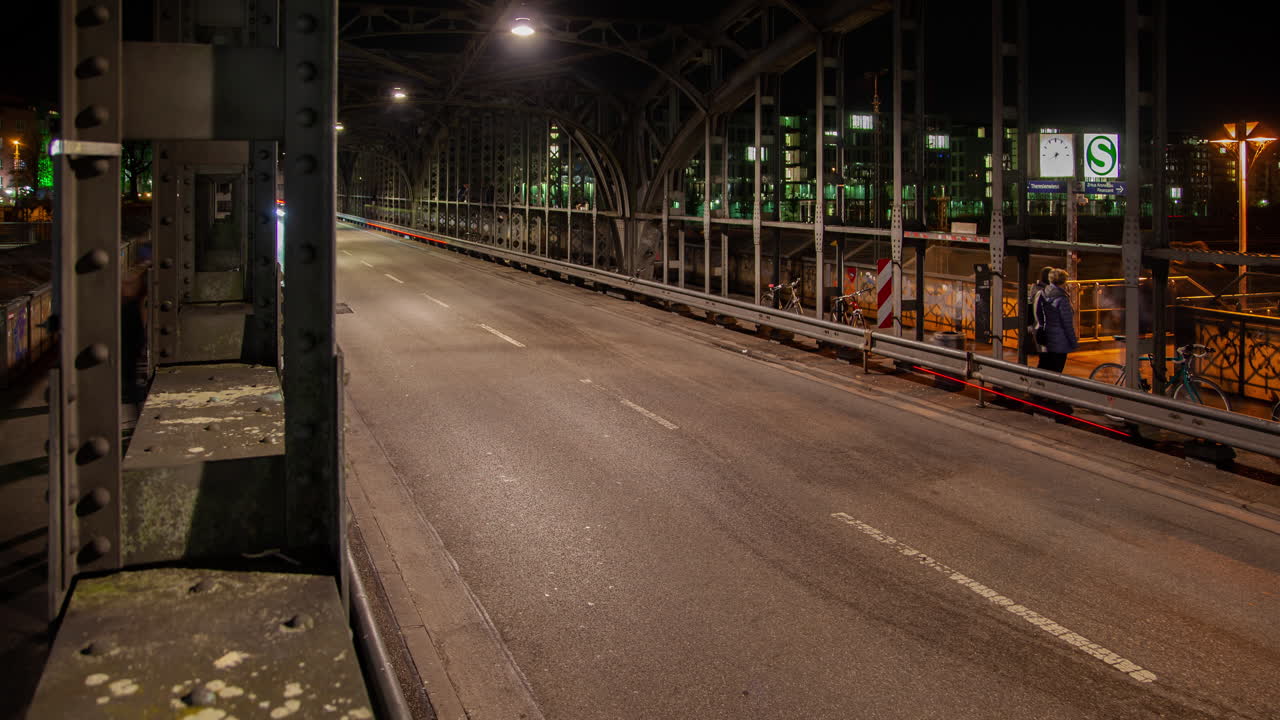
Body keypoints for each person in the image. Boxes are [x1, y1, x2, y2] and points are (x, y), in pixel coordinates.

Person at [1035, 268, 1078, 373]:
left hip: (1045, 339)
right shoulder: (1062, 299)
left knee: (1044, 370)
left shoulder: (1042, 293)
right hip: (1059, 342)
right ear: (1064, 282)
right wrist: (1073, 342)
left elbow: (1038, 314)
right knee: (1056, 372)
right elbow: (1067, 324)